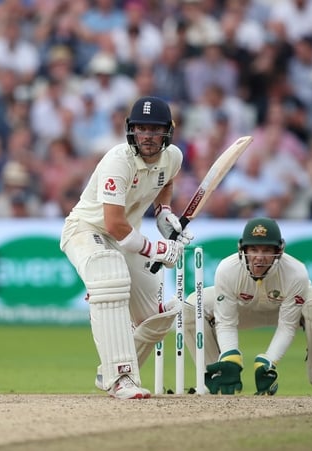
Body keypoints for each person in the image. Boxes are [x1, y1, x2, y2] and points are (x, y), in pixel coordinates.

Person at [60, 96, 193, 399]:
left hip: (125, 236)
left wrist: (163, 212)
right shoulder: (118, 161)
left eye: (154, 129)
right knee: (110, 277)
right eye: (141, 128)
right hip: (87, 230)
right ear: (131, 130)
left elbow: (166, 180)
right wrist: (157, 250)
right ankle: (120, 378)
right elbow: (113, 225)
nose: (147, 136)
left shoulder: (173, 157)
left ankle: (108, 367)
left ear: (167, 133)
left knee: (158, 318)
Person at [183, 217, 312, 397]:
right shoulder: (227, 269)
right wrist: (230, 356)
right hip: (244, 311)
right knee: (193, 305)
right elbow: (226, 322)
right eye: (254, 249)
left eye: (266, 250)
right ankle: (214, 376)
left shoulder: (296, 272)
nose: (259, 257)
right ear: (243, 250)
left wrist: (269, 360)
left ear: (279, 251)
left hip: (286, 313)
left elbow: (287, 326)